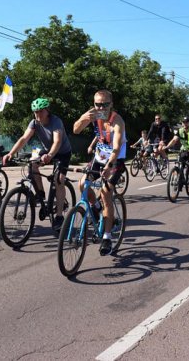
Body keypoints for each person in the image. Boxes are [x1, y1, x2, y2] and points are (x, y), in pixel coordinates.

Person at [3, 98, 73, 233]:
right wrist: (10, 153)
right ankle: (40, 193)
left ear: (47, 111)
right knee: (32, 164)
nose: (37, 115)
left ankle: (59, 216)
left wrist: (50, 156)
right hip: (47, 150)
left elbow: (57, 141)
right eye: (35, 112)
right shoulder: (34, 123)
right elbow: (24, 138)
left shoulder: (56, 121)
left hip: (62, 152)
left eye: (40, 112)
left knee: (59, 180)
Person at [73, 89, 126, 256]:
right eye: (97, 104)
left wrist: (109, 166)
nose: (101, 108)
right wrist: (84, 119)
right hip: (99, 157)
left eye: (104, 104)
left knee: (105, 192)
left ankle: (107, 237)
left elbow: (116, 146)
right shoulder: (93, 115)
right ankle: (95, 208)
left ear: (111, 105)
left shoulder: (117, 121)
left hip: (115, 160)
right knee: (82, 184)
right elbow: (75, 130)